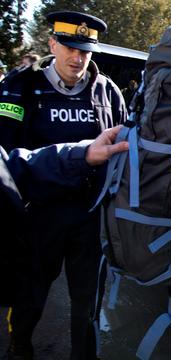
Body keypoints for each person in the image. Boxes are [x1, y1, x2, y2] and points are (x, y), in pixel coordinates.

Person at [0, 11, 127, 360]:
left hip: (89, 216)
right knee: (29, 293)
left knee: (88, 301)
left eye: (85, 50)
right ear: (52, 43)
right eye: (70, 47)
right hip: (37, 217)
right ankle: (19, 346)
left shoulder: (108, 92)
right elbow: (6, 157)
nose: (77, 57)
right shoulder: (20, 86)